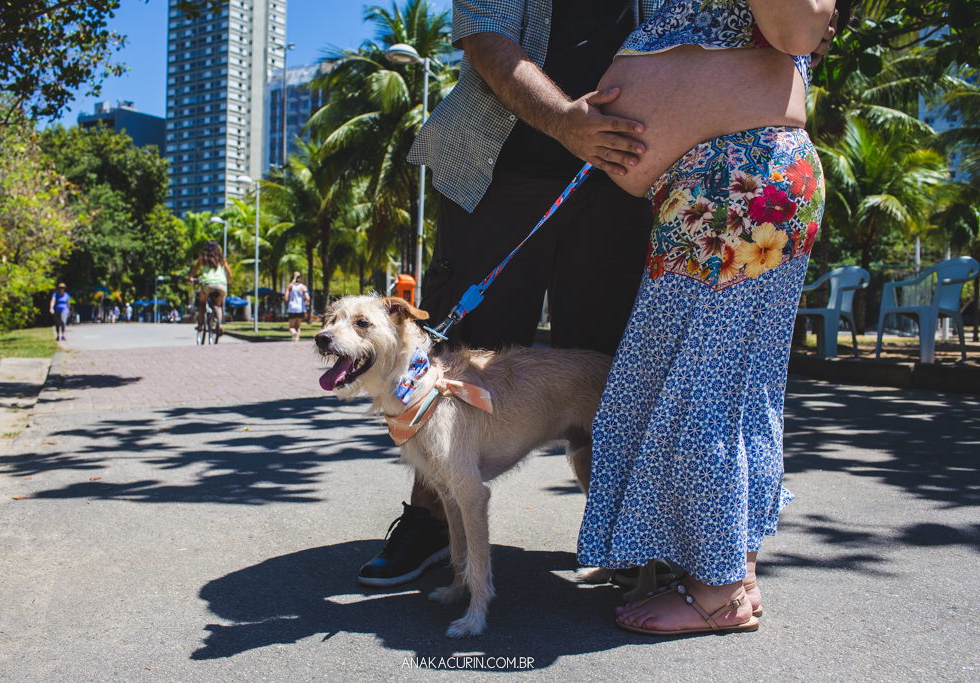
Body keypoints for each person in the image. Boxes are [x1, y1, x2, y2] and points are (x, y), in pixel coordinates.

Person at [356, 0, 663, 588]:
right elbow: (485, 34)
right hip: (500, 170)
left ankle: (624, 535)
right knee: (459, 361)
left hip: (623, 174)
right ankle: (429, 521)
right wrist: (567, 122)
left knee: (605, 367)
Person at [575, 0, 847, 635]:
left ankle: (717, 591)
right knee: (729, 385)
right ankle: (733, 572)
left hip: (738, 184)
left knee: (707, 387)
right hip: (728, 181)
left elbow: (798, 21)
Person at [188, 241, 232, 337]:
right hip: (221, 285)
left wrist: (190, 278)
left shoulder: (203, 259)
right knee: (218, 305)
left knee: (202, 302)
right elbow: (229, 273)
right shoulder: (221, 259)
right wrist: (228, 282)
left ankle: (200, 325)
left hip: (208, 285)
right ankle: (219, 325)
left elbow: (193, 272)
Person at [285, 272, 310, 340]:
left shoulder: (289, 286)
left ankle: (294, 332)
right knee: (298, 326)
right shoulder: (303, 287)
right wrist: (306, 301)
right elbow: (307, 297)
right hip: (300, 308)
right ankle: (296, 340)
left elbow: (286, 298)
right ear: (300, 278)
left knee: (291, 326)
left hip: (292, 308)